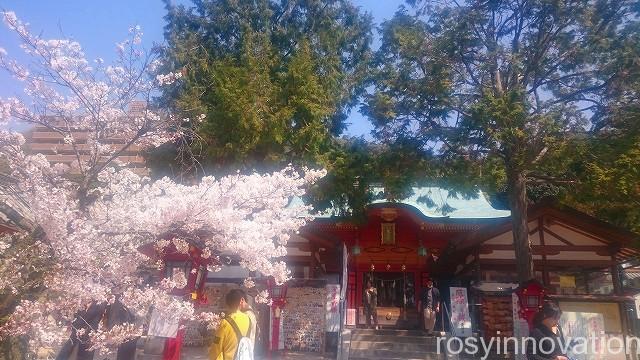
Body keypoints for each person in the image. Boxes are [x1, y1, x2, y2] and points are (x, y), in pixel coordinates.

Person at [209, 289, 252, 360]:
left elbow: (216, 348)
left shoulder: (225, 323)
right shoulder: (248, 319)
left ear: (227, 303)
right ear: (241, 301)